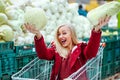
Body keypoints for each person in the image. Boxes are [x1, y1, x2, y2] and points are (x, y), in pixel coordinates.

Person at [24, 15, 111, 80]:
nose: (60, 36)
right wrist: (38, 34)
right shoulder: (56, 50)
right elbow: (43, 55)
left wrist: (96, 30)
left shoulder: (81, 48)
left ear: (72, 35)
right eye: (58, 34)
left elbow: (91, 53)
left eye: (64, 33)